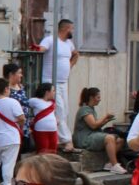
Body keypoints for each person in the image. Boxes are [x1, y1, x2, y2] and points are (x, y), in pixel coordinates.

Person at [37, 20, 79, 151]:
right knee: (59, 109)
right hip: (51, 81)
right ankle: (67, 140)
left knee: (64, 110)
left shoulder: (68, 44)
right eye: (72, 29)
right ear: (66, 29)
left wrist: (70, 65)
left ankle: (60, 138)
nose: (73, 31)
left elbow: (76, 54)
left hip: (63, 82)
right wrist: (38, 49)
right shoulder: (50, 40)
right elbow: (41, 50)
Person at [73, 87, 127, 175]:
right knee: (109, 138)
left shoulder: (91, 109)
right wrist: (105, 116)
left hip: (92, 135)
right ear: (91, 97)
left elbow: (96, 126)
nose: (100, 99)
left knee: (120, 140)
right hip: (84, 138)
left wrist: (106, 121)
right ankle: (115, 165)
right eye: (98, 97)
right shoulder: (84, 109)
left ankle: (109, 163)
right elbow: (93, 125)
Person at [28, 83, 59, 155]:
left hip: (53, 131)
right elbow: (23, 107)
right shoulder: (34, 100)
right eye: (53, 90)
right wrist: (28, 120)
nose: (54, 93)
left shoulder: (52, 102)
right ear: (47, 92)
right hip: (41, 131)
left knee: (53, 153)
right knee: (43, 153)